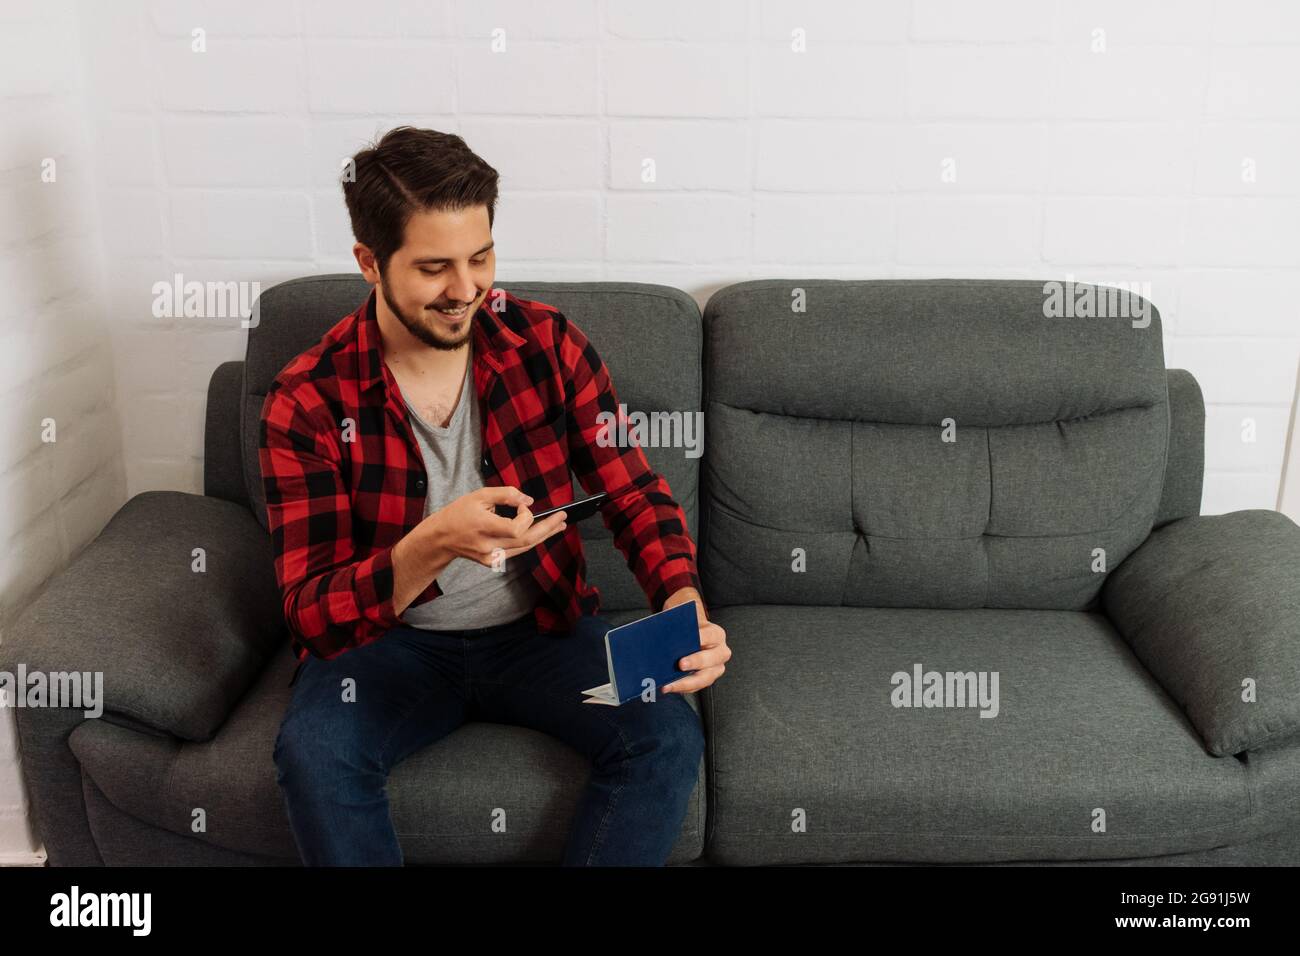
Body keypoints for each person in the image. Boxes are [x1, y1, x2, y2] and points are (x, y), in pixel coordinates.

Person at [258, 126, 730, 866]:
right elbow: (312, 616)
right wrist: (434, 542)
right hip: (386, 649)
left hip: (539, 629)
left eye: (480, 258)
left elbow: (633, 489)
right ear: (368, 263)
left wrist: (679, 599)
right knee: (315, 756)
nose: (466, 289)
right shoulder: (307, 399)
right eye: (434, 268)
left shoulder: (545, 343)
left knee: (665, 736)